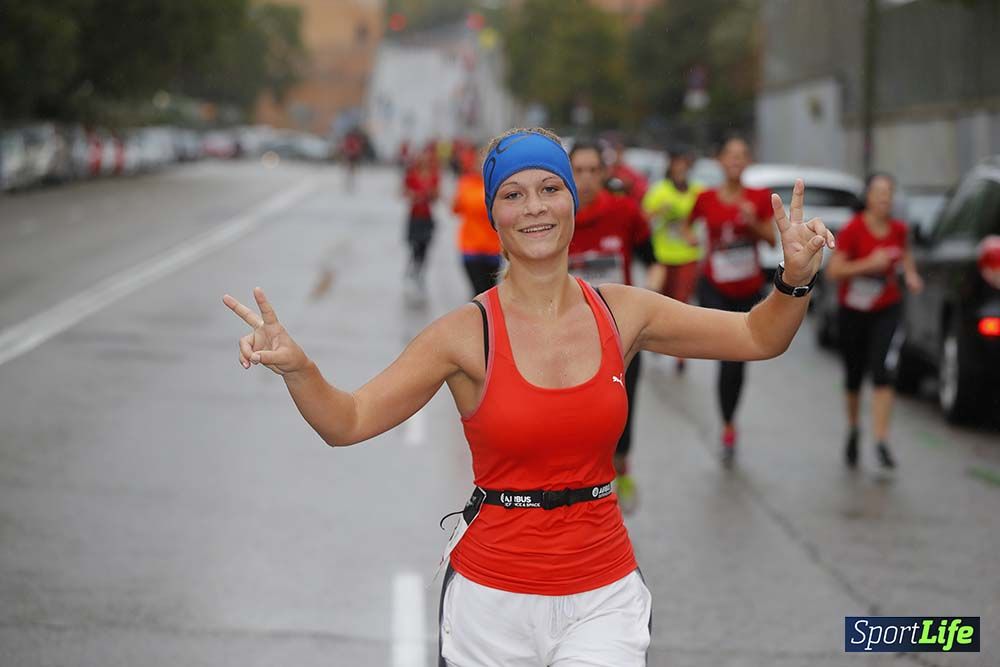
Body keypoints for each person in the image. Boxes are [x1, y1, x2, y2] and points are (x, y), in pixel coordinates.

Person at [223, 127, 833, 666]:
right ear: (493, 215)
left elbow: (758, 335)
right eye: (513, 194)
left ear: (574, 199)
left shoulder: (625, 312)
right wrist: (299, 368)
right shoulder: (464, 335)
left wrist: (795, 278)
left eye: (550, 188)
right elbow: (348, 420)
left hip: (603, 595)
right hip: (490, 603)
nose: (534, 207)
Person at [567, 140, 655, 515]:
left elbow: (654, 260)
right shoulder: (558, 218)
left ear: (604, 174)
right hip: (569, 339)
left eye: (593, 171)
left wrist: (649, 301)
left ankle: (623, 467)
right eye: (578, 171)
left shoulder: (624, 212)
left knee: (621, 410)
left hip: (620, 335)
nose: (586, 179)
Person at [680, 135, 776, 466]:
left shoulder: (758, 198)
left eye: (741, 155)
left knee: (738, 361)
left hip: (748, 288)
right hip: (715, 284)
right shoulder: (705, 198)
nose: (735, 160)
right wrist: (691, 237)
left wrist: (752, 223)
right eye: (729, 154)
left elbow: (770, 238)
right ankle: (728, 425)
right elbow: (688, 224)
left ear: (747, 162)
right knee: (726, 354)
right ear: (720, 161)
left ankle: (729, 421)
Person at [824, 173, 923, 469]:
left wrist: (913, 275)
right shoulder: (853, 229)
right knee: (854, 376)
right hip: (853, 311)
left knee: (882, 371)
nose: (884, 198)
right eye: (879, 192)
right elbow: (833, 272)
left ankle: (881, 440)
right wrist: (870, 263)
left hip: (885, 307)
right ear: (868, 197)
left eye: (889, 193)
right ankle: (854, 428)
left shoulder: (899, 230)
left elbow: (904, 256)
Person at [642, 145, 706, 373]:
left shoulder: (698, 191)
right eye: (676, 163)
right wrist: (659, 211)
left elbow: (707, 218)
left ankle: (681, 355)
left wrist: (693, 235)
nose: (680, 168)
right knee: (663, 302)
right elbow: (642, 219)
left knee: (682, 302)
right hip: (662, 255)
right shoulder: (659, 190)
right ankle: (660, 341)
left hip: (688, 256)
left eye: (684, 163)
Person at [452, 148, 502, 295]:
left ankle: (486, 317)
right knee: (478, 292)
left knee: (490, 293)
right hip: (471, 247)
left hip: (492, 248)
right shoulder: (465, 182)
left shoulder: (495, 185)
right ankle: (481, 317)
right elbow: (456, 209)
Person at [402, 146, 440, 295]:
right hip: (414, 215)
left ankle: (419, 270)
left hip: (427, 216)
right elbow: (404, 192)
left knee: (425, 245)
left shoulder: (434, 176)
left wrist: (431, 194)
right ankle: (413, 266)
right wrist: (414, 195)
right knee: (414, 244)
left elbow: (436, 195)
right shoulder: (411, 175)